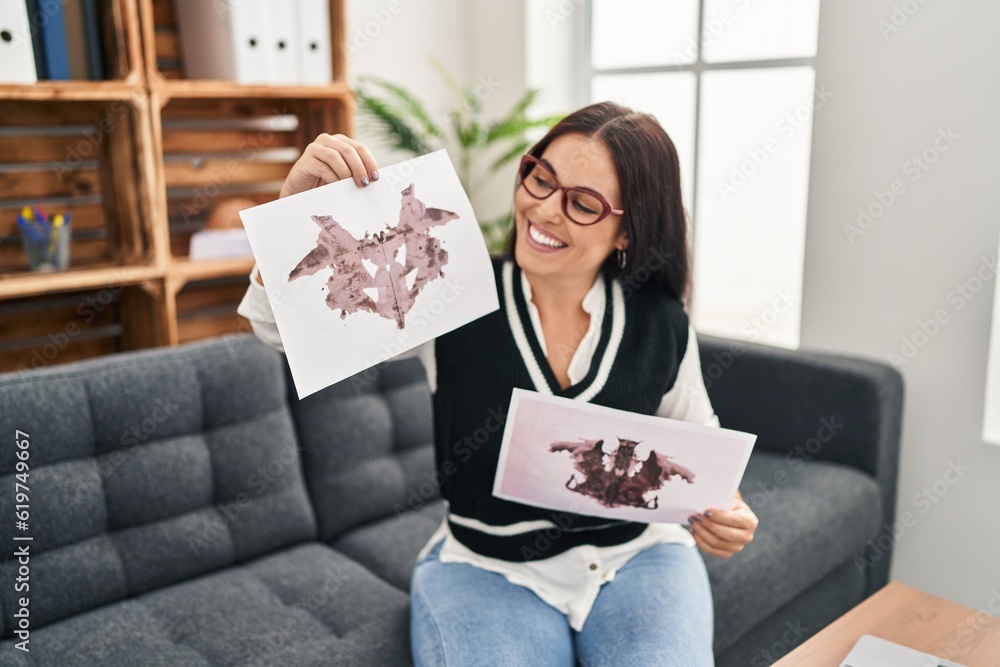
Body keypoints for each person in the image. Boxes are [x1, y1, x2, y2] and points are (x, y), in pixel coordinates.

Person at [238, 101, 759, 666]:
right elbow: (280, 334)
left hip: (638, 557)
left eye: (582, 203)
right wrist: (289, 214)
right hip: (488, 568)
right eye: (540, 177)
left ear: (628, 230)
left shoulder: (660, 321)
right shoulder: (449, 287)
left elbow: (699, 442)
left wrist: (726, 509)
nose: (544, 210)